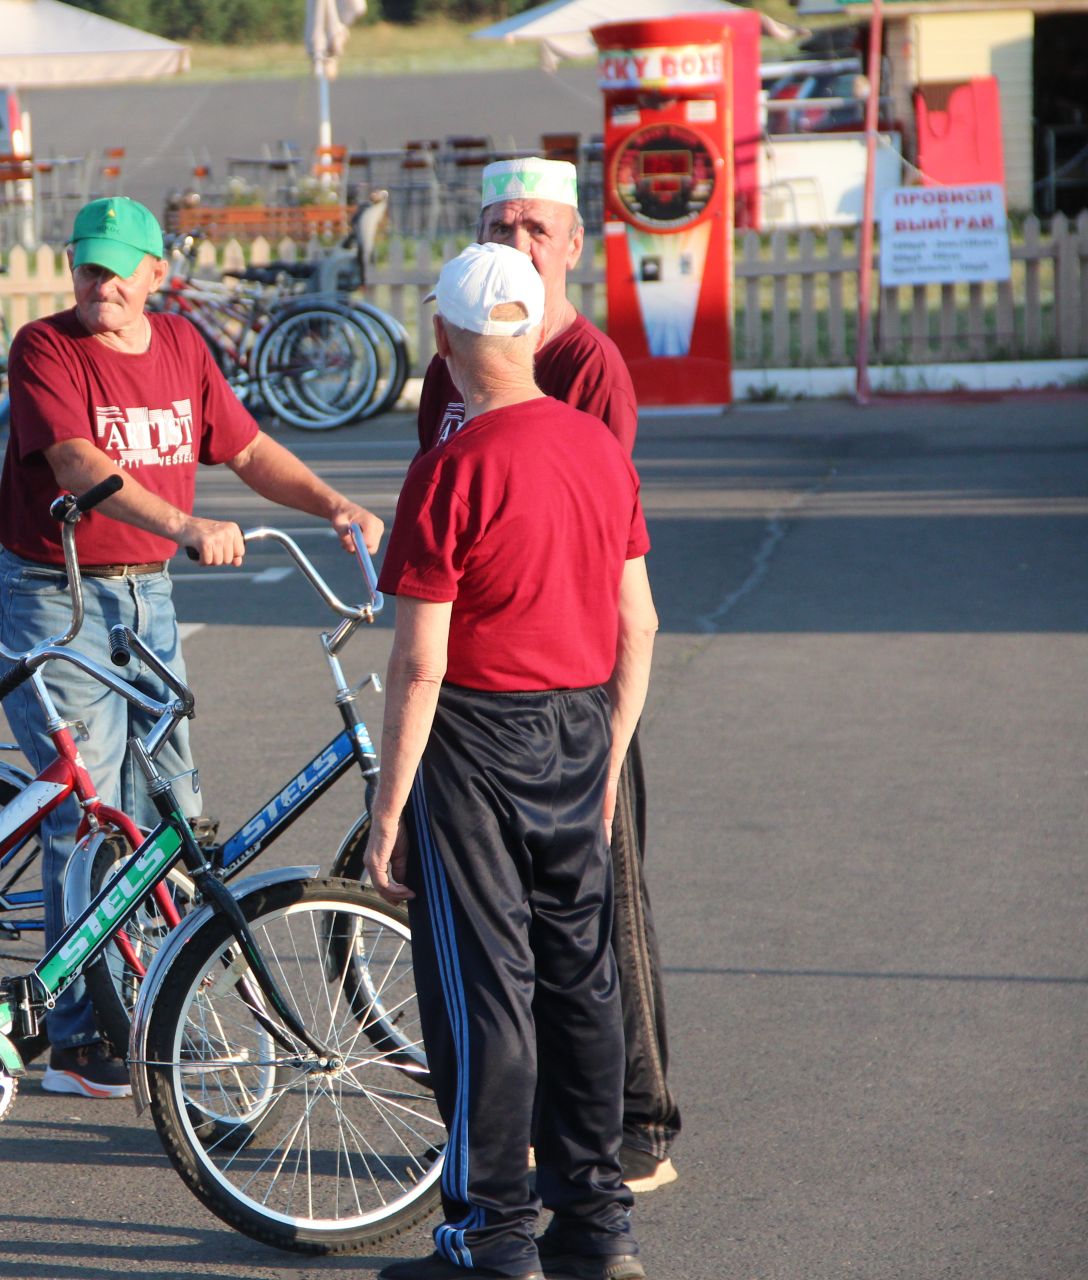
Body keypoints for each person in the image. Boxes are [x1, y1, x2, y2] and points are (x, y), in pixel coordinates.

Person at [0, 195, 384, 1099]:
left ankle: (155, 1005)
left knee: (170, 803)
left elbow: (245, 451)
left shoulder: (180, 348)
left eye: (120, 269)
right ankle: (83, 1031)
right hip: (60, 594)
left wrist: (332, 505)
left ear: (157, 274)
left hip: (148, 595)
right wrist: (185, 522)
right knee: (87, 810)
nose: (103, 284)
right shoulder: (46, 350)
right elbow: (78, 464)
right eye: (89, 266)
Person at [364, 242, 659, 1280]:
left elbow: (418, 662)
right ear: (533, 328)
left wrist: (388, 802)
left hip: (477, 738)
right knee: (581, 976)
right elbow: (641, 623)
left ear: (443, 343)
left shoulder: (449, 465)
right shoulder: (595, 448)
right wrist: (610, 751)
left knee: (485, 984)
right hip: (579, 725)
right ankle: (597, 1225)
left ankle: (491, 1235)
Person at [417, 157, 680, 1193]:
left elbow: (597, 534)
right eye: (497, 222)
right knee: (512, 947)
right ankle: (530, 1156)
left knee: (601, 920)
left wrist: (608, 735)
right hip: (475, 683)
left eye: (534, 226)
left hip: (573, 681)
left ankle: (637, 1126)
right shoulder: (453, 364)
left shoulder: (589, 367)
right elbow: (443, 488)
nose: (515, 241)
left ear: (573, 243)